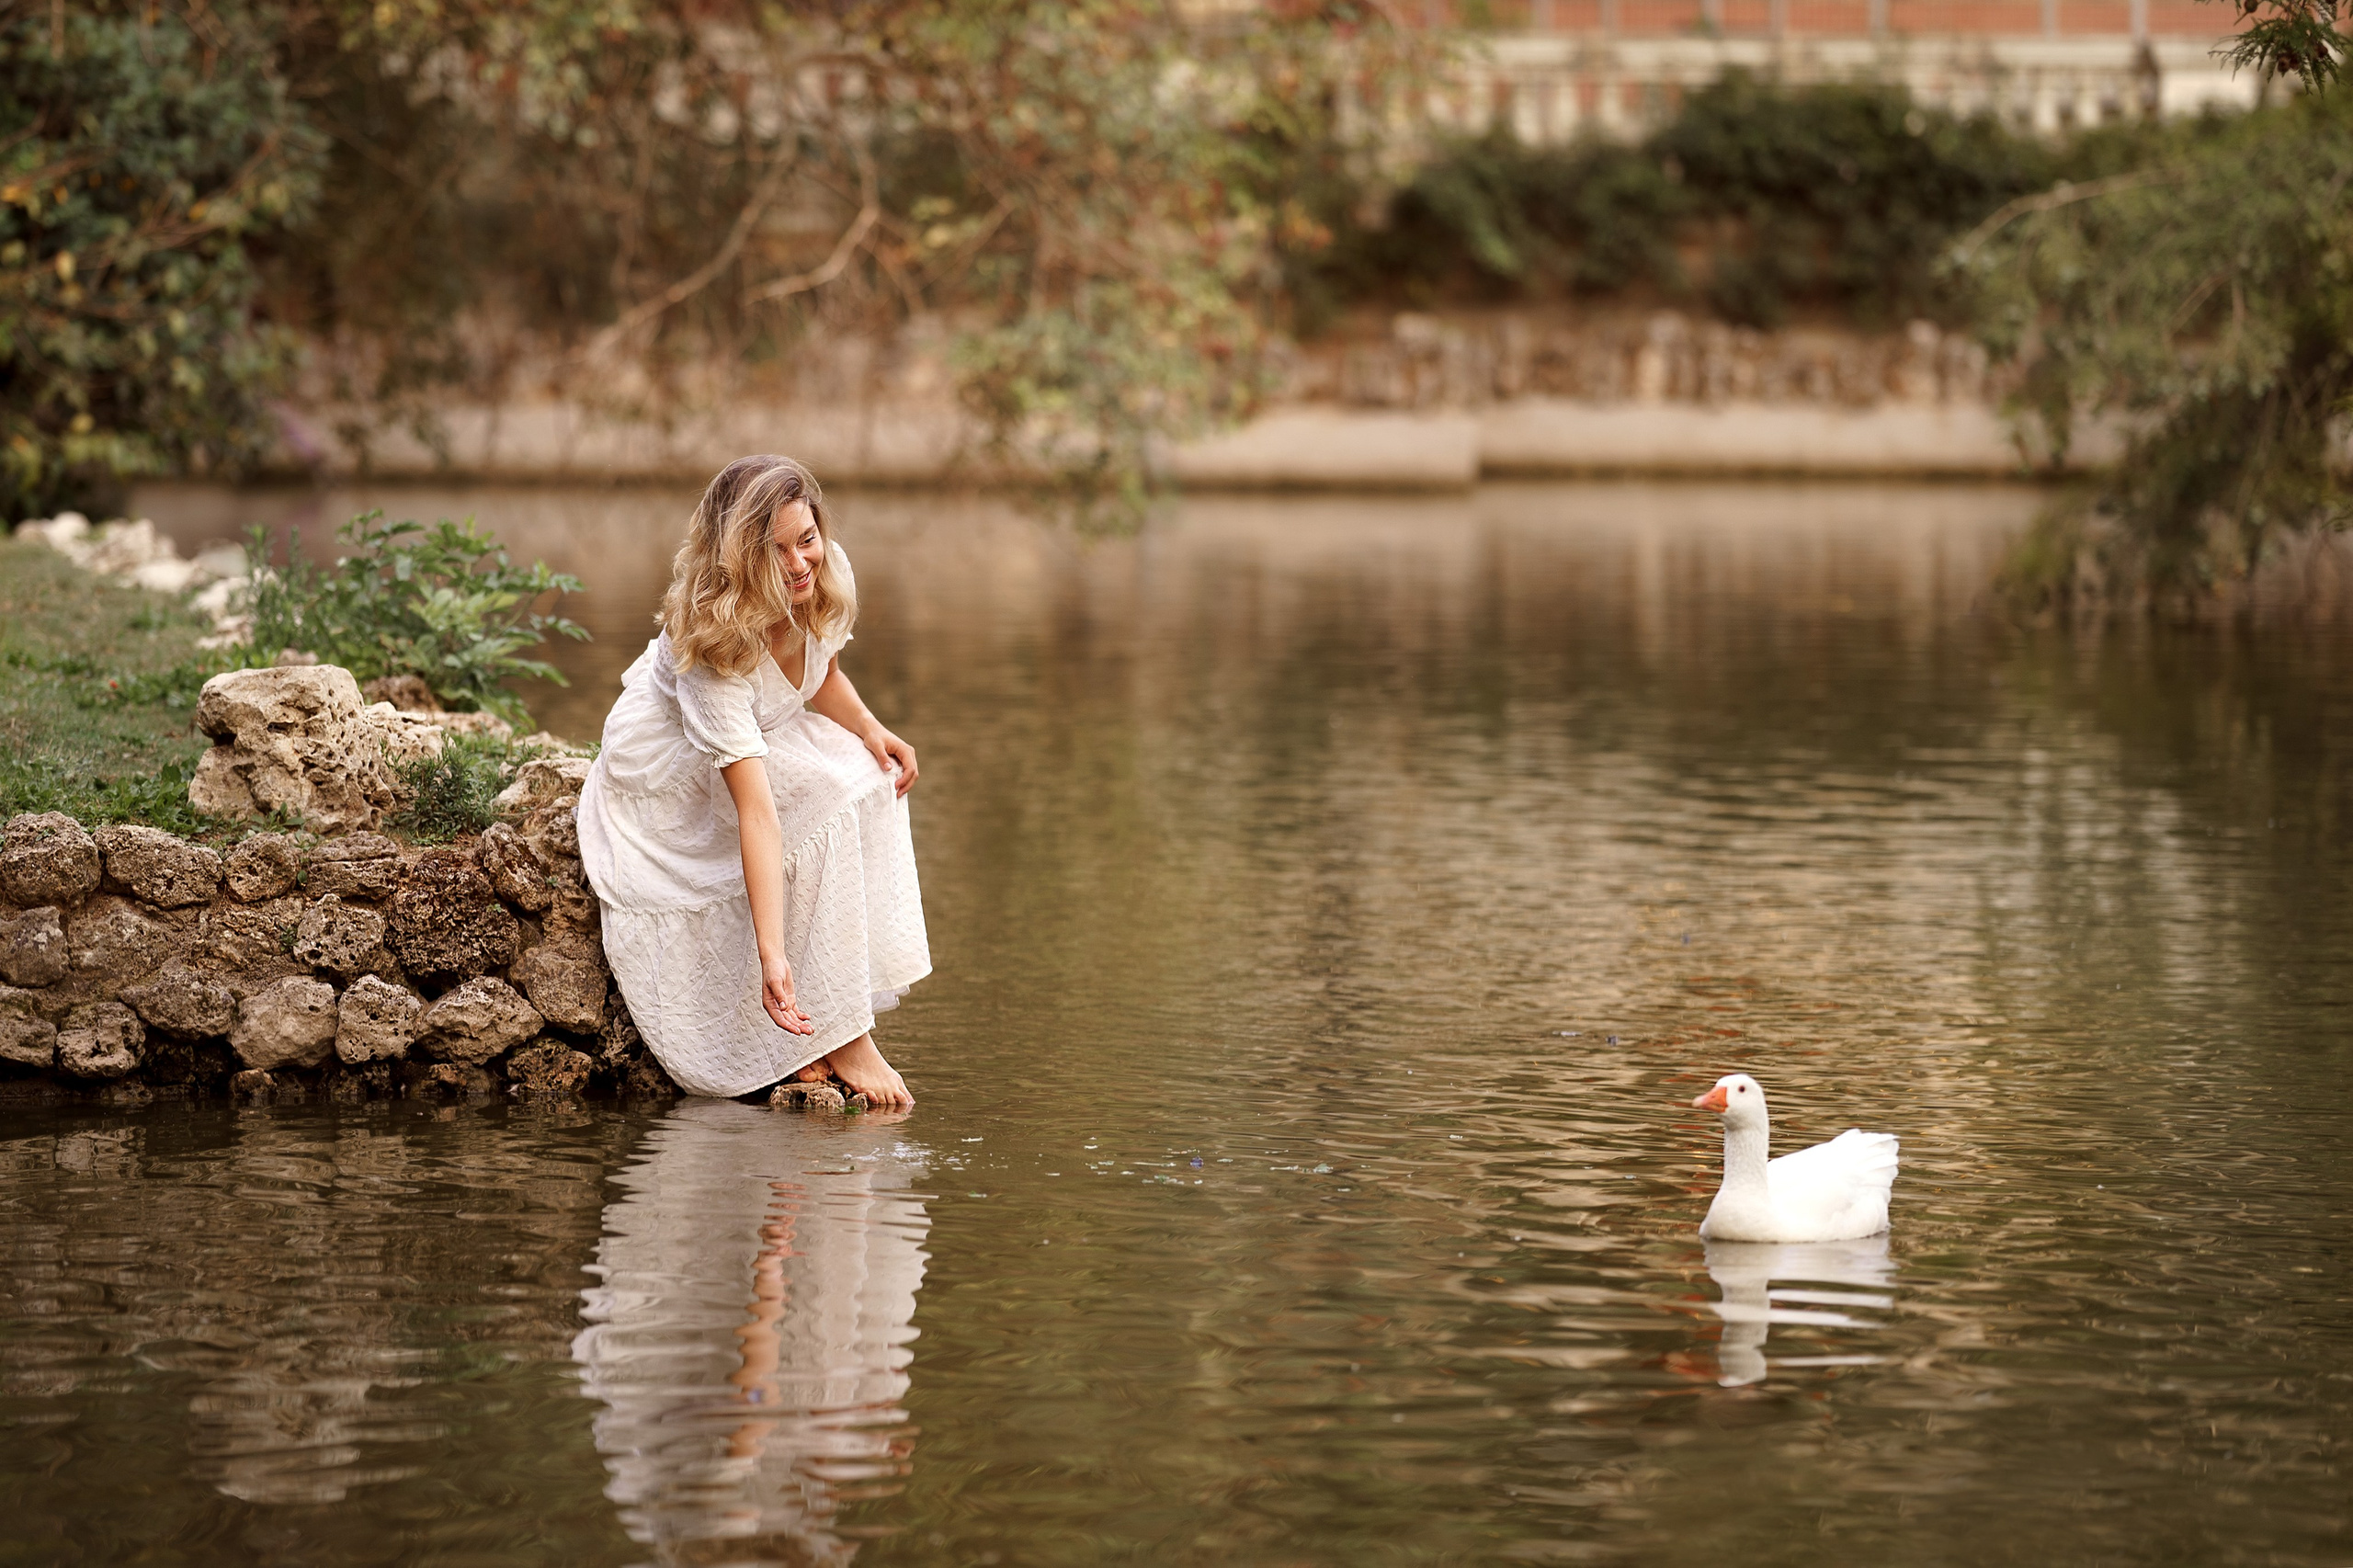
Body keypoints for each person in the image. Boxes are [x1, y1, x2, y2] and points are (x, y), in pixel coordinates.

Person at [577, 455, 930, 1107]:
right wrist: (773, 958)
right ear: (738, 560)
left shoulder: (815, 576)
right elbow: (758, 814)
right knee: (820, 797)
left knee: (867, 773)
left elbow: (815, 666)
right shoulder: (715, 649)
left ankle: (834, 1012)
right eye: (776, 553)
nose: (799, 564)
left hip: (760, 726)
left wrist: (870, 726)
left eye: (807, 539)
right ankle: (842, 1036)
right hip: (672, 762)